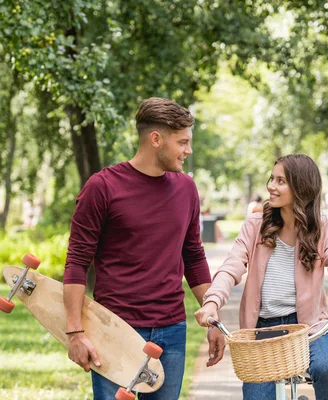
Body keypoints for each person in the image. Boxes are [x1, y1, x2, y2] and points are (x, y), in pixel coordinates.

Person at [63, 97, 223, 400]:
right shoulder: (103, 187)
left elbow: (194, 256)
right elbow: (76, 262)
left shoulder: (186, 189)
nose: (188, 151)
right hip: (115, 329)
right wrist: (75, 332)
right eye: (183, 142)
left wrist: (214, 317)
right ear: (156, 139)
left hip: (172, 332)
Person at [195, 154, 328, 400]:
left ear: (301, 188)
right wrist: (212, 302)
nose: (271, 186)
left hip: (310, 327)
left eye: (280, 181)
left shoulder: (323, 227)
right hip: (261, 330)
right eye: (272, 179)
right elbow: (231, 266)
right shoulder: (256, 224)